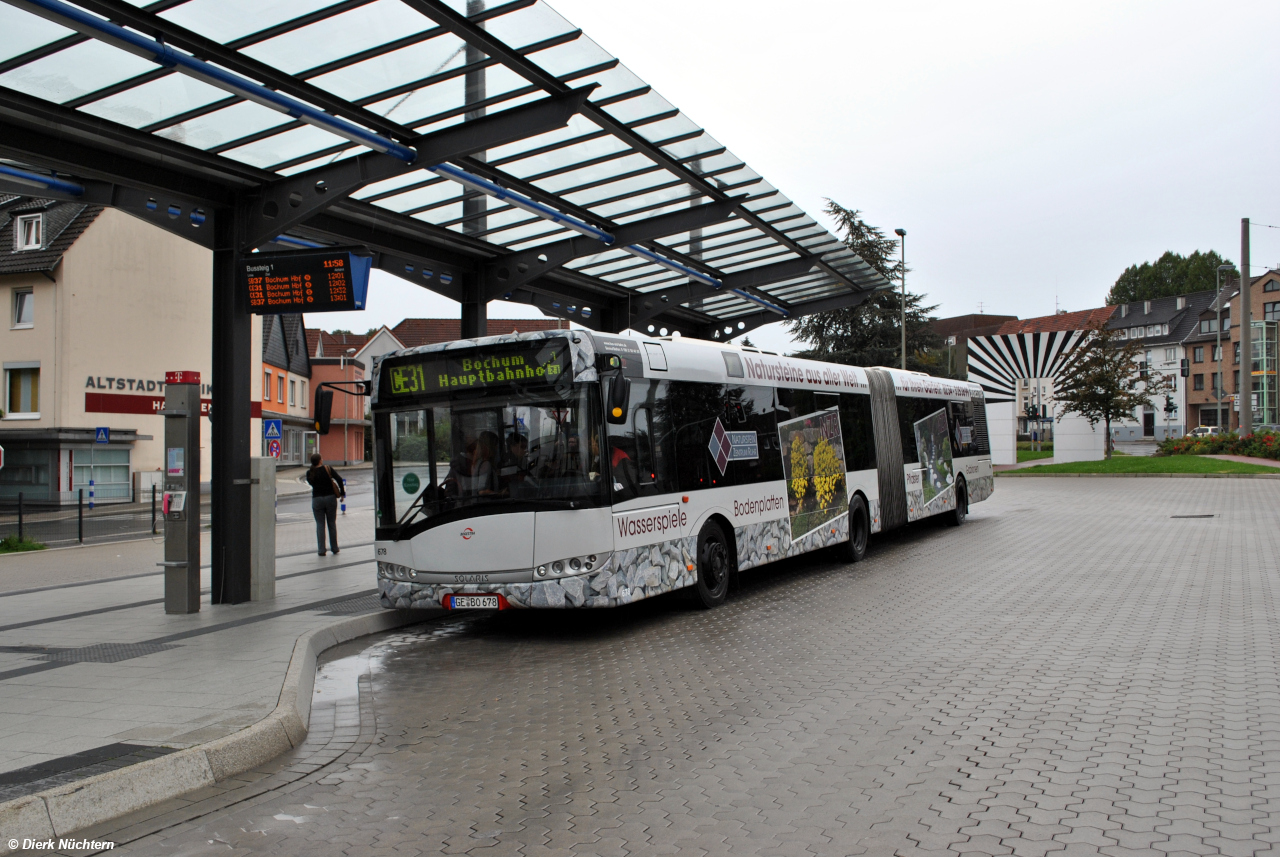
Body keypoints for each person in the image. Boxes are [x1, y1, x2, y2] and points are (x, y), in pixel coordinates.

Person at [307, 453, 345, 556]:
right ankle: (335, 548)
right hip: (330, 498)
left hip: (317, 500)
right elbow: (339, 479)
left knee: (320, 524)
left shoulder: (309, 473)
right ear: (320, 461)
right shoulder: (327, 468)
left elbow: (312, 484)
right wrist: (342, 493)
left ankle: (321, 550)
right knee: (331, 523)